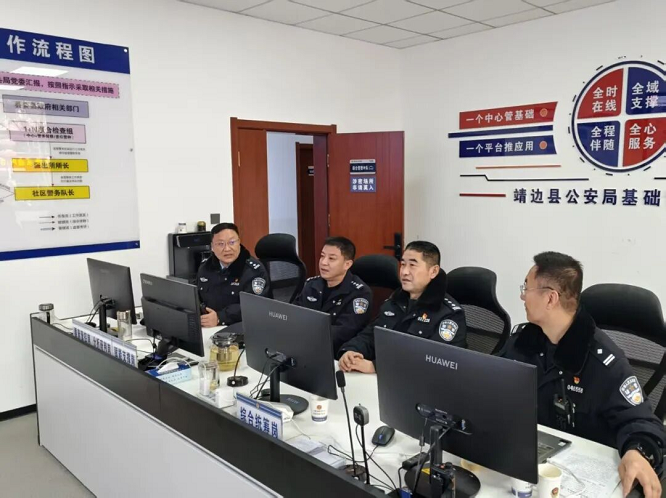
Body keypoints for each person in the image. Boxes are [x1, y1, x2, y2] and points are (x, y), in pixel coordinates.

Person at [500, 252, 664, 497]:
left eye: (527, 288)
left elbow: (642, 422)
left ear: (550, 298)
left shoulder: (604, 362)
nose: (522, 295)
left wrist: (636, 452)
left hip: (582, 478)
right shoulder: (524, 342)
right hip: (531, 461)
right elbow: (493, 382)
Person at [338, 240, 466, 374]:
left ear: (433, 271)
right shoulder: (395, 300)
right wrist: (351, 351)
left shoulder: (449, 314)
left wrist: (376, 366)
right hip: (383, 379)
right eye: (403, 264)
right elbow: (370, 335)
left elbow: (432, 363)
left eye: (412, 265)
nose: (404, 272)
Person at [293, 236, 372, 354]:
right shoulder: (311, 284)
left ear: (347, 264)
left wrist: (304, 335)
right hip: (305, 346)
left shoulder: (360, 293)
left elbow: (344, 332)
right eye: (322, 256)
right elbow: (294, 314)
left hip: (338, 353)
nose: (323, 262)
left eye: (331, 258)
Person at [196, 223, 270, 328]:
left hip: (244, 327)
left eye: (232, 242)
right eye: (220, 244)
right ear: (212, 247)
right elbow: (198, 298)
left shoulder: (254, 271)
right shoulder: (205, 267)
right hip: (211, 327)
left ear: (239, 242)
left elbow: (254, 305)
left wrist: (220, 317)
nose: (227, 249)